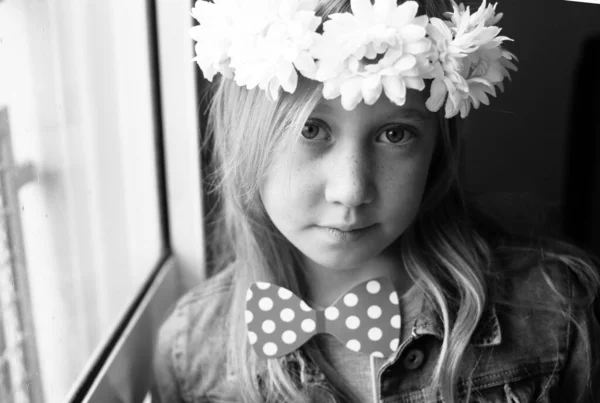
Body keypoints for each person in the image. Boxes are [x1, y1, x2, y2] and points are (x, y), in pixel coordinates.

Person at [153, 0, 600, 402]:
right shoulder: (190, 350)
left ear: (436, 151)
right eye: (311, 129)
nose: (351, 190)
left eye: (396, 134)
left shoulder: (552, 313)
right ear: (243, 138)